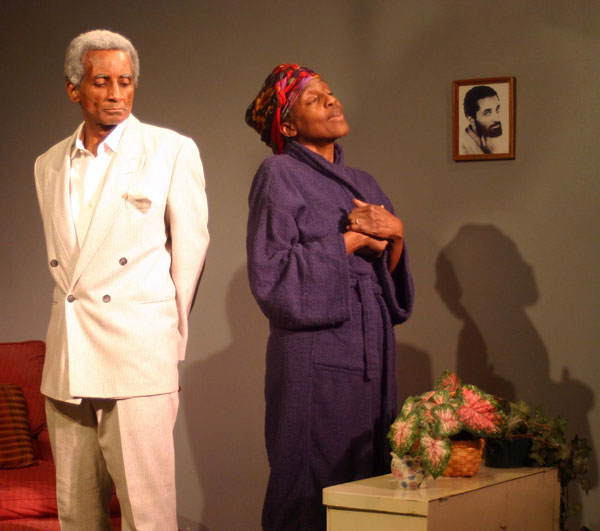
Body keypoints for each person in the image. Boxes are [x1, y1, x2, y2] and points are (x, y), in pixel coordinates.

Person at [34, 29, 209, 530]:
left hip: (137, 355)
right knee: (76, 514)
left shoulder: (170, 150)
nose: (116, 94)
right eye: (102, 82)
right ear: (74, 89)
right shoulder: (47, 164)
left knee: (146, 516)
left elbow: (191, 252)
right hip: (69, 359)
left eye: (125, 82)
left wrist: (166, 340)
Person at [245, 63, 414, 530]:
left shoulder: (365, 182)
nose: (331, 101)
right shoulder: (278, 173)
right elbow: (272, 277)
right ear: (288, 126)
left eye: (330, 93)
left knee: (367, 485)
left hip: (369, 349)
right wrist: (351, 241)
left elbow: (388, 286)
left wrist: (396, 234)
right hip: (313, 356)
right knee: (308, 485)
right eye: (313, 99)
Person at [460, 85, 504, 154]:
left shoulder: (487, 138)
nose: (497, 118)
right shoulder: (463, 150)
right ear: (471, 119)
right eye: (487, 113)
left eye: (497, 110)